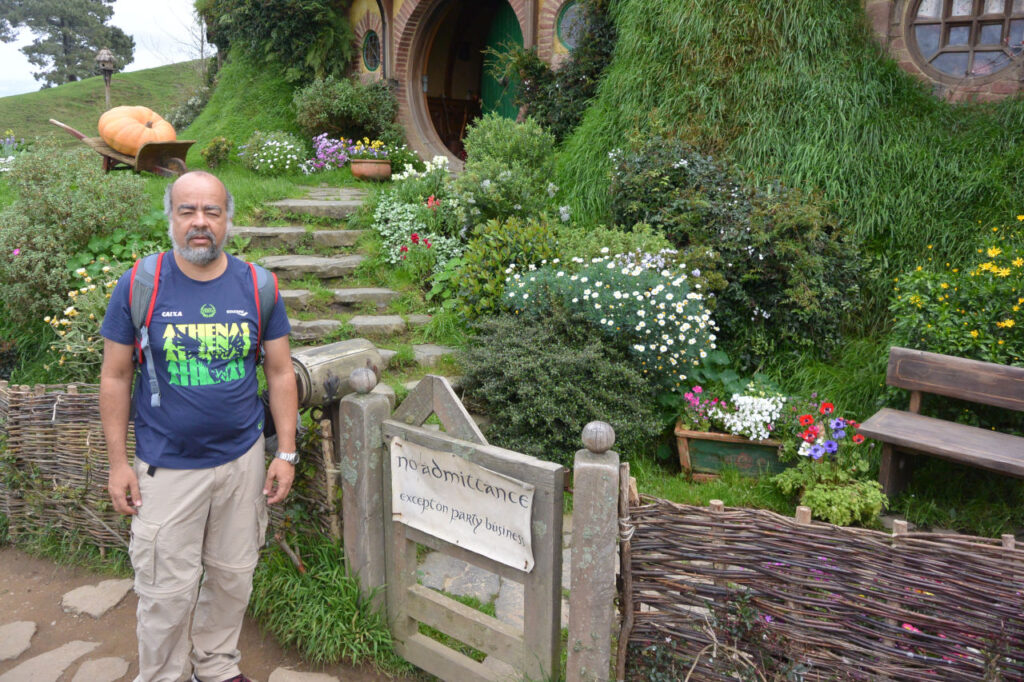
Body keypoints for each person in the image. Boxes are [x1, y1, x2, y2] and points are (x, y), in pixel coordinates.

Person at [99, 171, 299, 682]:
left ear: (228, 218)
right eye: (188, 211)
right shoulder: (142, 283)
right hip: (167, 467)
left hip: (242, 462)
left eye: (211, 211)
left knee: (233, 577)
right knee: (166, 590)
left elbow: (279, 373)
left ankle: (215, 667)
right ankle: (164, 675)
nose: (200, 222)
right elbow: (117, 376)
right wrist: (119, 463)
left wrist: (286, 452)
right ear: (170, 217)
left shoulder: (258, 286)